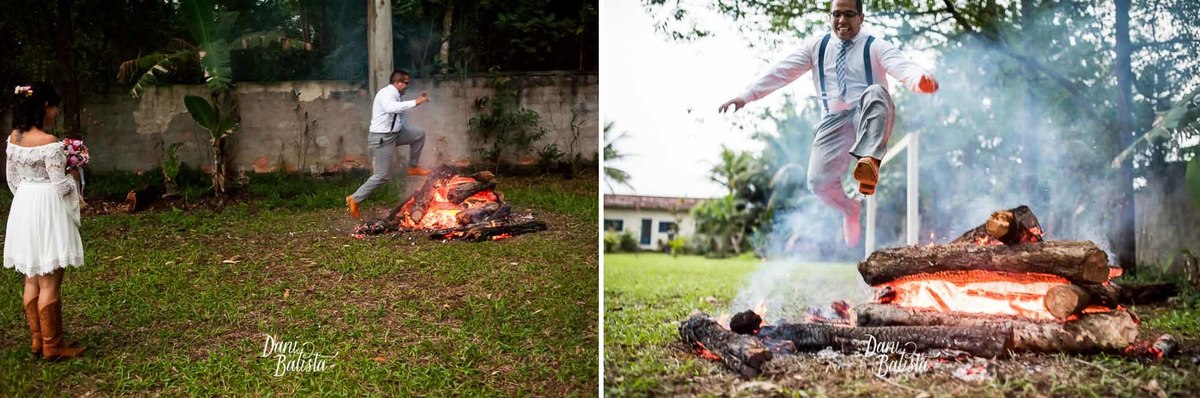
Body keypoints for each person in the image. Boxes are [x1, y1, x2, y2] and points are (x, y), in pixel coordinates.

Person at [718, 0, 939, 247]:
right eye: (836, 14)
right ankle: (850, 208)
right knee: (817, 183)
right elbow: (781, 71)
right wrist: (746, 96)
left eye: (848, 14)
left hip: (867, 116)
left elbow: (900, 64)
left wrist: (918, 79)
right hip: (833, 122)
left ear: (861, 17)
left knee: (876, 92)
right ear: (829, 16)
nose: (842, 21)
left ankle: (868, 161)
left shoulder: (875, 46)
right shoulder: (817, 47)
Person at [5, 83, 86, 360]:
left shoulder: (13, 138)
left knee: (32, 277)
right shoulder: (49, 143)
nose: (55, 111)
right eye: (53, 106)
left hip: (25, 204)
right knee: (50, 278)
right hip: (46, 206)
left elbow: (12, 180)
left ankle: (38, 341)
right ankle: (54, 346)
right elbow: (60, 185)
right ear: (44, 107)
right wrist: (75, 175)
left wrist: (27, 198)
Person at [346, 70, 434, 220]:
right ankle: (355, 199)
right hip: (382, 138)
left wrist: (417, 104)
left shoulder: (397, 95)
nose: (407, 86)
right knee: (382, 175)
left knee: (418, 134)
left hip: (395, 135)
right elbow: (391, 108)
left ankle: (413, 167)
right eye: (406, 83)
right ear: (398, 82)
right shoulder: (386, 94)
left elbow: (398, 117)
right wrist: (415, 102)